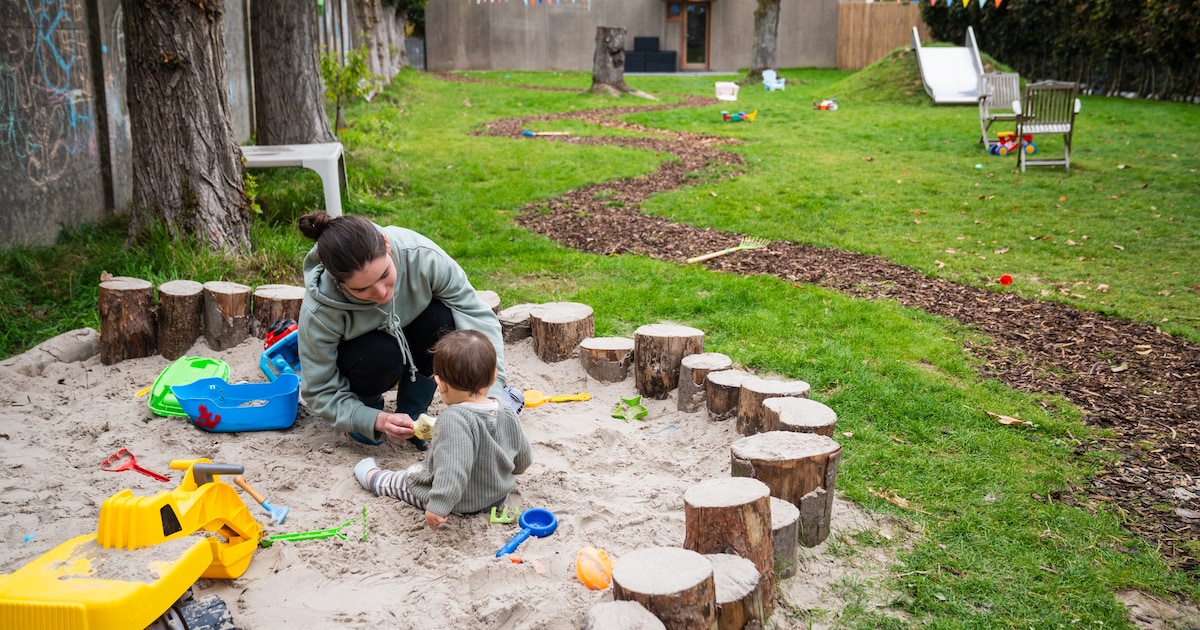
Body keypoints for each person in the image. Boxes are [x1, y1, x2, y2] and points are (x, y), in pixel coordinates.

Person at [296, 211, 523, 450]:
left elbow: (475, 314)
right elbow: (319, 388)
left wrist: (492, 393)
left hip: (415, 333)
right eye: (362, 289)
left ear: (386, 244)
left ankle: (415, 409)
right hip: (365, 360)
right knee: (379, 355)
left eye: (385, 275)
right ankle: (366, 410)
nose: (382, 293)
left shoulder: (420, 255)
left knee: (443, 319)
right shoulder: (320, 308)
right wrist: (375, 420)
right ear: (337, 282)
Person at [353, 330, 533, 530]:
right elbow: (523, 459)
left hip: (462, 502)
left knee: (403, 480)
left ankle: (372, 476)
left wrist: (438, 507)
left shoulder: (453, 420)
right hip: (497, 495)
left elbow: (452, 472)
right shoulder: (506, 410)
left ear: (441, 385)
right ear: (493, 376)